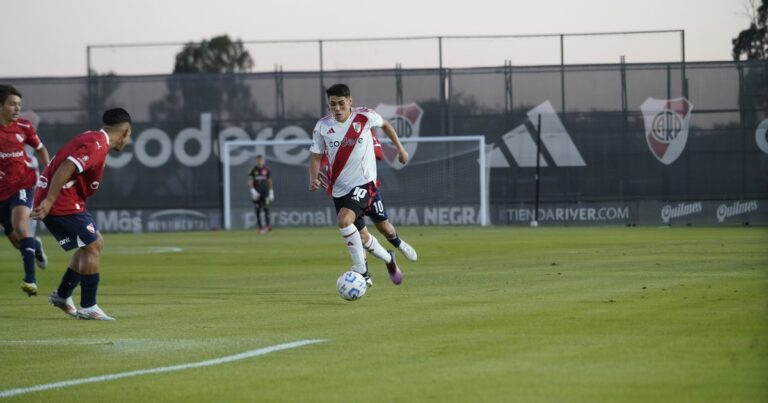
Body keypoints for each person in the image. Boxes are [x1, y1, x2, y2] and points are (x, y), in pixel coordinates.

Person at [31, 108, 132, 320]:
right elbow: (67, 167)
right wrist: (49, 201)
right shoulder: (97, 144)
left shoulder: (94, 139)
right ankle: (88, 306)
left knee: (93, 243)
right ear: (125, 131)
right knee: (93, 245)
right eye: (129, 135)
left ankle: (62, 295)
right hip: (61, 202)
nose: (128, 140)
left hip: (67, 200)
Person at [308, 83, 409, 287]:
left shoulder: (364, 116)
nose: (337, 108)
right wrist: (313, 177)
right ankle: (389, 259)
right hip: (339, 188)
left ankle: (362, 272)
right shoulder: (322, 126)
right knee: (362, 236)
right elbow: (316, 157)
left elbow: (386, 125)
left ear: (350, 102)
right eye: (332, 104)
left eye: (341, 104)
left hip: (365, 183)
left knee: (344, 221)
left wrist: (400, 149)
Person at [0, 85, 50, 297]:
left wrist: (47, 173)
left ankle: (30, 280)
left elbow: (40, 148)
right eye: (12, 104)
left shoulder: (24, 126)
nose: (17, 108)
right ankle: (35, 246)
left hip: (23, 182)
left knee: (21, 226)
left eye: (19, 104)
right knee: (15, 240)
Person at [248, 154, 274, 233]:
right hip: (257, 193)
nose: (259, 161)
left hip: (265, 192)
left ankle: (267, 226)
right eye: (258, 160)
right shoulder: (253, 169)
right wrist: (253, 191)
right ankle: (260, 227)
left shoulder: (267, 169)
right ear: (256, 160)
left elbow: (269, 180)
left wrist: (271, 192)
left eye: (261, 160)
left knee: (266, 208)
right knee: (258, 209)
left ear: (263, 160)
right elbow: (250, 181)